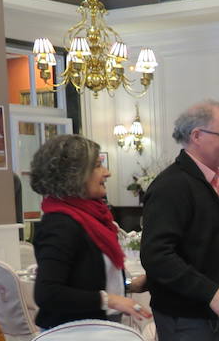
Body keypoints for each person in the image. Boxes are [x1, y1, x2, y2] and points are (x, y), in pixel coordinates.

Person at [141, 100, 219, 341]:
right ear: (197, 136)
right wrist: (213, 293)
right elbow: (157, 256)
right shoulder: (172, 185)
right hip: (187, 317)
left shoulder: (213, 180)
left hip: (209, 314)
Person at [29, 134, 150, 330]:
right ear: (74, 175)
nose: (107, 172)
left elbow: (84, 279)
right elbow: (48, 293)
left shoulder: (91, 216)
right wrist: (111, 300)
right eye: (97, 166)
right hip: (73, 338)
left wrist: (129, 286)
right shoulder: (60, 223)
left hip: (95, 330)